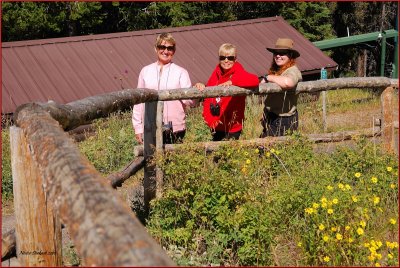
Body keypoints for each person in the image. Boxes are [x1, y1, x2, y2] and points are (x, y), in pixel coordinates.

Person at [132, 33, 194, 144]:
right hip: (150, 126)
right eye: (162, 47)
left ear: (174, 51)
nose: (165, 51)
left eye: (169, 48)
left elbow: (189, 100)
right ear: (156, 49)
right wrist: (138, 127)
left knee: (173, 160)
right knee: (152, 160)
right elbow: (138, 102)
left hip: (174, 127)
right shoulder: (145, 71)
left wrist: (195, 91)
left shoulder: (181, 72)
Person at [195, 43, 259, 141]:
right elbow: (209, 93)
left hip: (232, 127)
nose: (226, 60)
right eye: (222, 57)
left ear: (235, 59)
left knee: (229, 154)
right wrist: (201, 86)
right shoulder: (217, 72)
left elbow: (254, 80)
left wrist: (233, 81)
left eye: (230, 58)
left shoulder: (238, 71)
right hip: (216, 124)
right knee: (215, 154)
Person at [259, 38, 302, 137]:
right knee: (266, 148)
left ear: (290, 55)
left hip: (284, 119)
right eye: (275, 53)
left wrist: (268, 77)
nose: (278, 55)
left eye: (282, 53)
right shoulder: (277, 70)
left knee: (267, 149)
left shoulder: (292, 70)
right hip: (272, 116)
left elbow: (288, 82)